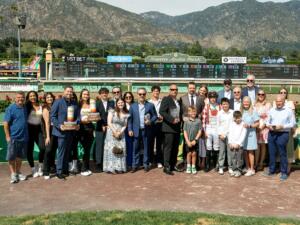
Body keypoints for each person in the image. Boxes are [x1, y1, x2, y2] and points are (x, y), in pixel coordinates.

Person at [51, 85, 79, 179]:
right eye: (67, 91)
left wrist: (77, 124)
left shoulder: (74, 103)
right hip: (61, 132)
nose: (69, 93)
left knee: (68, 151)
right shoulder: (58, 102)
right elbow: (53, 116)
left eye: (71, 92)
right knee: (61, 152)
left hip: (71, 132)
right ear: (64, 92)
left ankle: (65, 169)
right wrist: (59, 126)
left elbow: (78, 116)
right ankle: (59, 171)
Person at [264, 95, 296, 181]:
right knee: (272, 153)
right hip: (272, 133)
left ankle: (284, 172)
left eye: (280, 101)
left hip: (283, 133)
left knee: (282, 153)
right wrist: (268, 125)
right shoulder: (272, 110)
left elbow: (292, 123)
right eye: (277, 101)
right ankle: (272, 170)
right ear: (275, 101)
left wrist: (282, 126)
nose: (278, 103)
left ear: (284, 101)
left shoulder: (288, 111)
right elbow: (267, 121)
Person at [128, 88, 157, 172]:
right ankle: (135, 165)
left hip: (146, 130)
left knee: (146, 148)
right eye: (140, 94)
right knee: (135, 148)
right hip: (136, 130)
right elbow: (130, 120)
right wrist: (130, 129)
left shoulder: (150, 105)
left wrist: (150, 121)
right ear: (137, 95)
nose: (142, 96)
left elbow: (155, 116)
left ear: (146, 95)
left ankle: (145, 164)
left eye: (143, 94)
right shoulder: (133, 106)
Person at [3, 91, 28, 183]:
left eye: (22, 97)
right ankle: (13, 174)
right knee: (11, 157)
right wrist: (7, 136)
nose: (20, 99)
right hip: (13, 138)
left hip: (24, 137)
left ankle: (18, 172)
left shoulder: (25, 108)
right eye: (18, 97)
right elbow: (5, 123)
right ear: (15, 98)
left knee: (19, 157)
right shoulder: (10, 108)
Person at [159, 84, 182, 175]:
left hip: (176, 128)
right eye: (172, 89)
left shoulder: (178, 101)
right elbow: (162, 111)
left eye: (176, 89)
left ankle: (173, 165)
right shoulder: (166, 99)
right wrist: (172, 120)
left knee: (175, 148)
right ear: (169, 90)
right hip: (168, 128)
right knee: (168, 148)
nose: (174, 91)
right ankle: (166, 166)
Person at [103, 98, 129, 173]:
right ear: (116, 104)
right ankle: (111, 168)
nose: (120, 104)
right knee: (112, 149)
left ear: (124, 103)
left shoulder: (126, 113)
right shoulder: (112, 111)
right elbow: (109, 122)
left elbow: (125, 125)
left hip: (121, 133)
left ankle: (119, 168)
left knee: (120, 149)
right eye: (119, 103)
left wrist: (120, 132)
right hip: (111, 132)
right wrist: (115, 132)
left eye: (122, 103)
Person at [25, 90, 46, 178]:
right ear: (28, 97)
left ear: (36, 96)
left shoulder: (40, 106)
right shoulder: (26, 106)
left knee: (42, 148)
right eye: (31, 96)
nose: (33, 97)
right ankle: (33, 169)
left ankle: (40, 166)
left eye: (34, 95)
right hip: (28, 132)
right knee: (29, 151)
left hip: (39, 132)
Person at [95, 88, 114, 172]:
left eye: (106, 93)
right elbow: (95, 115)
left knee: (109, 145)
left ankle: (108, 162)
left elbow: (113, 114)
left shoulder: (112, 103)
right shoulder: (97, 104)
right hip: (100, 127)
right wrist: (102, 124)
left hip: (110, 127)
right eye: (102, 93)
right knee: (100, 145)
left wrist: (109, 125)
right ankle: (99, 163)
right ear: (100, 94)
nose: (104, 94)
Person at [278, 87, 297, 172]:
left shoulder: (290, 103)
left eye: (284, 92)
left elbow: (293, 117)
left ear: (286, 94)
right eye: (281, 92)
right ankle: (282, 166)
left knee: (288, 148)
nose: (282, 94)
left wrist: (293, 128)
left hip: (288, 129)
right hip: (278, 130)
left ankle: (288, 166)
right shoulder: (276, 103)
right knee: (280, 148)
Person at [202, 91, 221, 172]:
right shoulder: (206, 106)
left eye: (214, 98)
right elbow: (203, 119)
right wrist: (204, 130)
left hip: (217, 128)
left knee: (216, 147)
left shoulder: (219, 106)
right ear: (209, 98)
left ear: (216, 98)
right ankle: (207, 165)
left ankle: (216, 164)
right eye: (211, 98)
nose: (213, 99)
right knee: (208, 147)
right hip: (209, 127)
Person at [241, 96, 260, 177]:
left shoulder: (253, 111)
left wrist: (250, 126)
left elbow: (257, 123)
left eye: (247, 102)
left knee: (250, 152)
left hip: (251, 134)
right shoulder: (241, 111)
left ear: (250, 103)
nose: (246, 103)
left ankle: (252, 169)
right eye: (244, 102)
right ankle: (247, 167)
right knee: (245, 151)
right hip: (242, 135)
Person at [254, 89, 271, 171]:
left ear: (265, 95)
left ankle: (261, 163)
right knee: (257, 145)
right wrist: (256, 126)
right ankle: (256, 163)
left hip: (264, 127)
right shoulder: (254, 104)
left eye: (262, 94)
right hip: (256, 127)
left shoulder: (268, 104)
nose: (261, 96)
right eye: (259, 94)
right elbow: (253, 115)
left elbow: (269, 116)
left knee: (263, 145)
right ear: (257, 95)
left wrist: (263, 126)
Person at [78, 89, 95, 176]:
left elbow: (94, 115)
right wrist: (81, 121)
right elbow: (75, 116)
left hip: (90, 128)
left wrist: (92, 118)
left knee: (87, 149)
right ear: (81, 95)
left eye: (87, 94)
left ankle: (86, 168)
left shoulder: (91, 104)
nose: (86, 95)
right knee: (84, 148)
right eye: (84, 94)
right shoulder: (78, 105)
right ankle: (82, 168)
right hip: (80, 128)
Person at [41, 92, 58, 179]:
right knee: (48, 150)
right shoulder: (45, 108)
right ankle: (45, 171)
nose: (49, 99)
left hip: (56, 130)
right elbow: (47, 123)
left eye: (51, 97)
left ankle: (52, 167)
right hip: (49, 131)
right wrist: (47, 136)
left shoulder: (55, 106)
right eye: (47, 97)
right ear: (45, 99)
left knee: (53, 150)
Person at [217, 98, 233, 175]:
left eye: (226, 104)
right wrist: (220, 134)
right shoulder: (219, 113)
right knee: (222, 152)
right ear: (221, 105)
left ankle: (230, 167)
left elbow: (234, 125)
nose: (225, 105)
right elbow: (218, 125)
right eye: (223, 104)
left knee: (230, 152)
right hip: (222, 136)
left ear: (229, 104)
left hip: (230, 135)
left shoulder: (232, 113)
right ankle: (221, 167)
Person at [148, 85, 164, 168]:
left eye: (157, 91)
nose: (156, 92)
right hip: (151, 125)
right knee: (150, 143)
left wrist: (162, 117)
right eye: (154, 91)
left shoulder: (162, 101)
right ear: (152, 92)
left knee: (159, 144)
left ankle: (159, 161)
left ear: (159, 92)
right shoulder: (148, 102)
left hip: (160, 124)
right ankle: (150, 161)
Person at [228, 111, 247, 177]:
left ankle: (239, 170)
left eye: (239, 118)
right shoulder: (231, 124)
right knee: (233, 157)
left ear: (241, 117)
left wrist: (238, 143)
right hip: (232, 144)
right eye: (236, 118)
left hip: (239, 145)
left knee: (239, 158)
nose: (238, 119)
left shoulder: (243, 124)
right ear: (234, 118)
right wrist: (230, 143)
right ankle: (234, 169)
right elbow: (230, 133)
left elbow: (243, 135)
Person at [183, 107, 202, 174]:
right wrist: (187, 141)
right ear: (188, 113)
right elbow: (184, 132)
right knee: (189, 153)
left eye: (194, 111)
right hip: (188, 141)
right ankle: (188, 166)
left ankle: (193, 167)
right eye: (191, 111)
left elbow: (200, 131)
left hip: (195, 141)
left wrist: (195, 140)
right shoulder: (186, 121)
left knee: (194, 154)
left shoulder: (198, 121)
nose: (193, 113)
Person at [198, 84, 209, 169]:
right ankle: (197, 161)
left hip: (204, 123)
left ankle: (203, 161)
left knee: (203, 143)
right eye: (201, 91)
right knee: (197, 143)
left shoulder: (207, 101)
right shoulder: (195, 98)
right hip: (195, 124)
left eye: (204, 91)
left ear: (206, 92)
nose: (202, 92)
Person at [123, 91, 134, 169]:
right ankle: (123, 163)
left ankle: (130, 163)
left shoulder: (135, 105)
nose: (128, 98)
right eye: (126, 97)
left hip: (132, 129)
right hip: (123, 129)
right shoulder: (121, 106)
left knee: (131, 147)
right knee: (124, 147)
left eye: (130, 97)